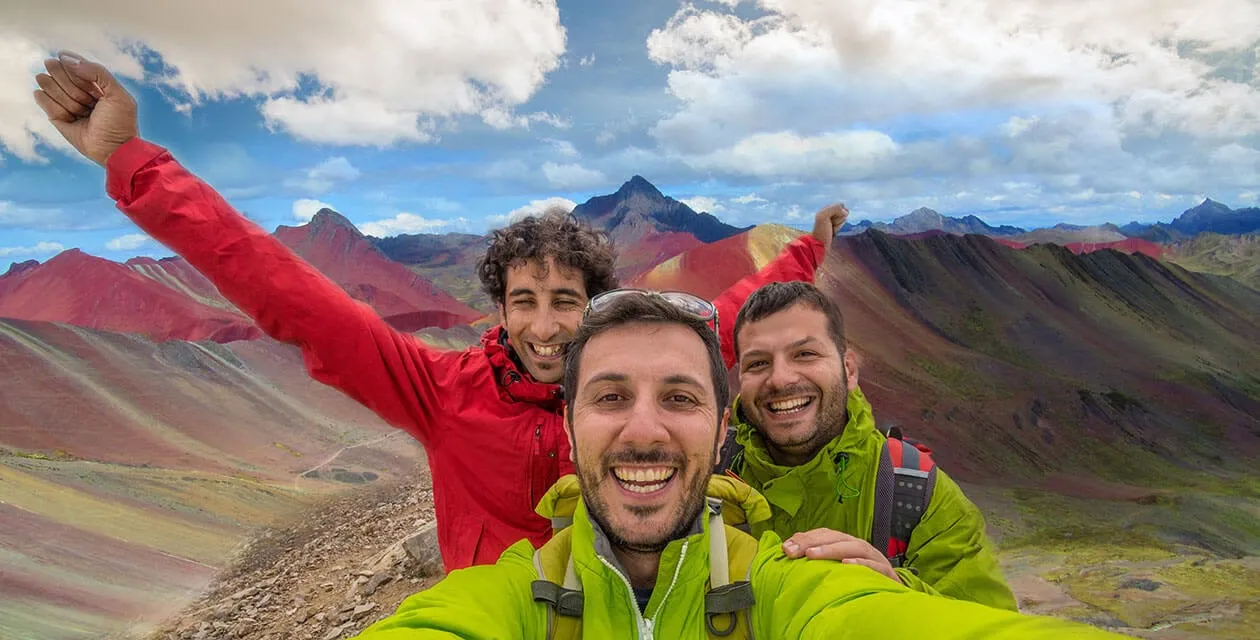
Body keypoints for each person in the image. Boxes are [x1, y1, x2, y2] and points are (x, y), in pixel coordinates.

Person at [31, 50, 846, 572]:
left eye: (567, 302)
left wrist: (806, 253)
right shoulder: (439, 391)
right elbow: (287, 293)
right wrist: (132, 163)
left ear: (595, 308)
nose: (545, 326)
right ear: (499, 308)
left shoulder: (627, 382)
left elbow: (730, 314)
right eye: (524, 302)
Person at [350, 291, 1128, 639]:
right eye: (612, 395)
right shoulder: (519, 591)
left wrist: (893, 587)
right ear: (568, 421)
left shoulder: (900, 505)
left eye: (681, 399)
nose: (646, 431)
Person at [723, 280, 1020, 610]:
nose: (779, 379)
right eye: (758, 363)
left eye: (805, 354)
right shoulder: (707, 480)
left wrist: (899, 596)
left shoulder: (919, 494)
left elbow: (988, 622)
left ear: (848, 370)